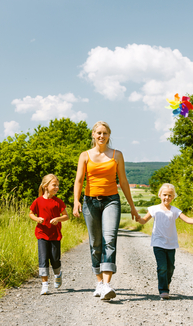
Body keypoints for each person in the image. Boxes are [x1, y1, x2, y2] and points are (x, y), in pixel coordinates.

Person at [73, 121, 139, 301]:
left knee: (109, 239)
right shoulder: (85, 155)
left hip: (111, 201)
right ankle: (99, 282)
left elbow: (123, 182)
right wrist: (76, 201)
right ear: (93, 135)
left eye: (105, 133)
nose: (102, 136)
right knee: (95, 244)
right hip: (90, 202)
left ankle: (107, 284)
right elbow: (79, 180)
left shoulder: (117, 155)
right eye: (98, 133)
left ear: (109, 135)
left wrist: (132, 206)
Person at [136, 183, 193, 299]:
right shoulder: (154, 209)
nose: (167, 198)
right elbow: (144, 220)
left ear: (173, 197)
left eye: (170, 195)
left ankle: (166, 283)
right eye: (164, 195)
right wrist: (139, 218)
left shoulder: (174, 210)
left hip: (171, 244)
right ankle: (163, 290)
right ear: (160, 195)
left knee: (170, 268)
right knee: (162, 267)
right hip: (158, 243)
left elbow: (187, 219)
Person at [29, 174, 69, 295]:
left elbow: (66, 216)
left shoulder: (58, 202)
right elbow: (31, 213)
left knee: (55, 260)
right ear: (46, 186)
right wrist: (37, 219)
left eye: (58, 185)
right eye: (54, 185)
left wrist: (58, 219)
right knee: (43, 259)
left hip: (55, 235)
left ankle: (58, 274)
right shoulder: (38, 201)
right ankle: (45, 285)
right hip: (42, 234)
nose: (57, 187)